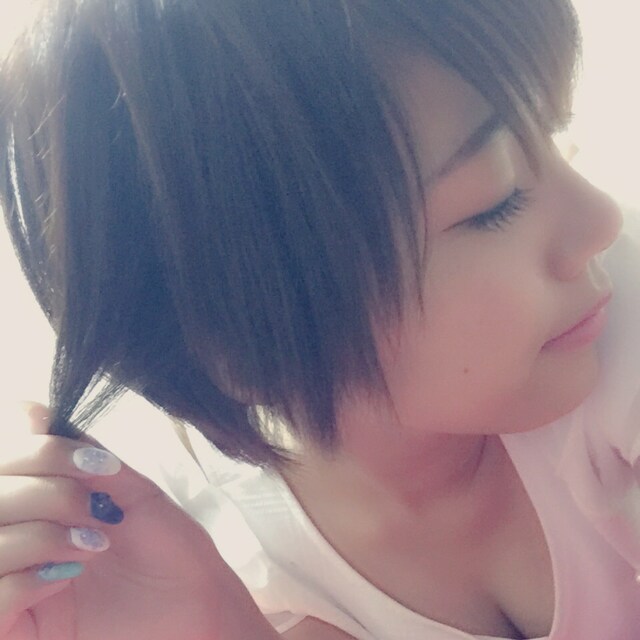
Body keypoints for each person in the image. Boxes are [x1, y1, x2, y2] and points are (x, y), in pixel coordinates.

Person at [0, 0, 639, 638]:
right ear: (244, 345)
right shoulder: (205, 559)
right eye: (495, 203)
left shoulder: (614, 325)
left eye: (554, 134)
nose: (600, 220)